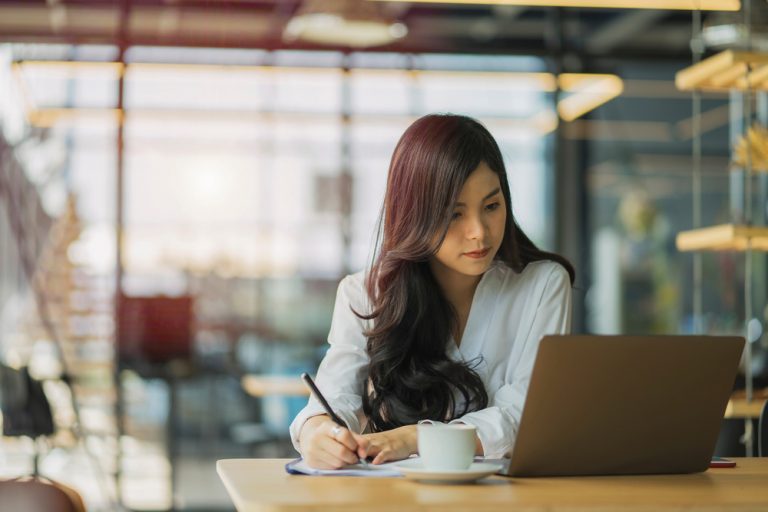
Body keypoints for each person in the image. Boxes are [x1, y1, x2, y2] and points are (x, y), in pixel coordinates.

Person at [289, 113, 574, 469]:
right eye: (454, 214)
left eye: (491, 206)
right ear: (415, 214)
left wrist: (413, 438)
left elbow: (527, 414)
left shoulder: (542, 284)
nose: (479, 233)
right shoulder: (364, 295)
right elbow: (333, 398)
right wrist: (319, 434)